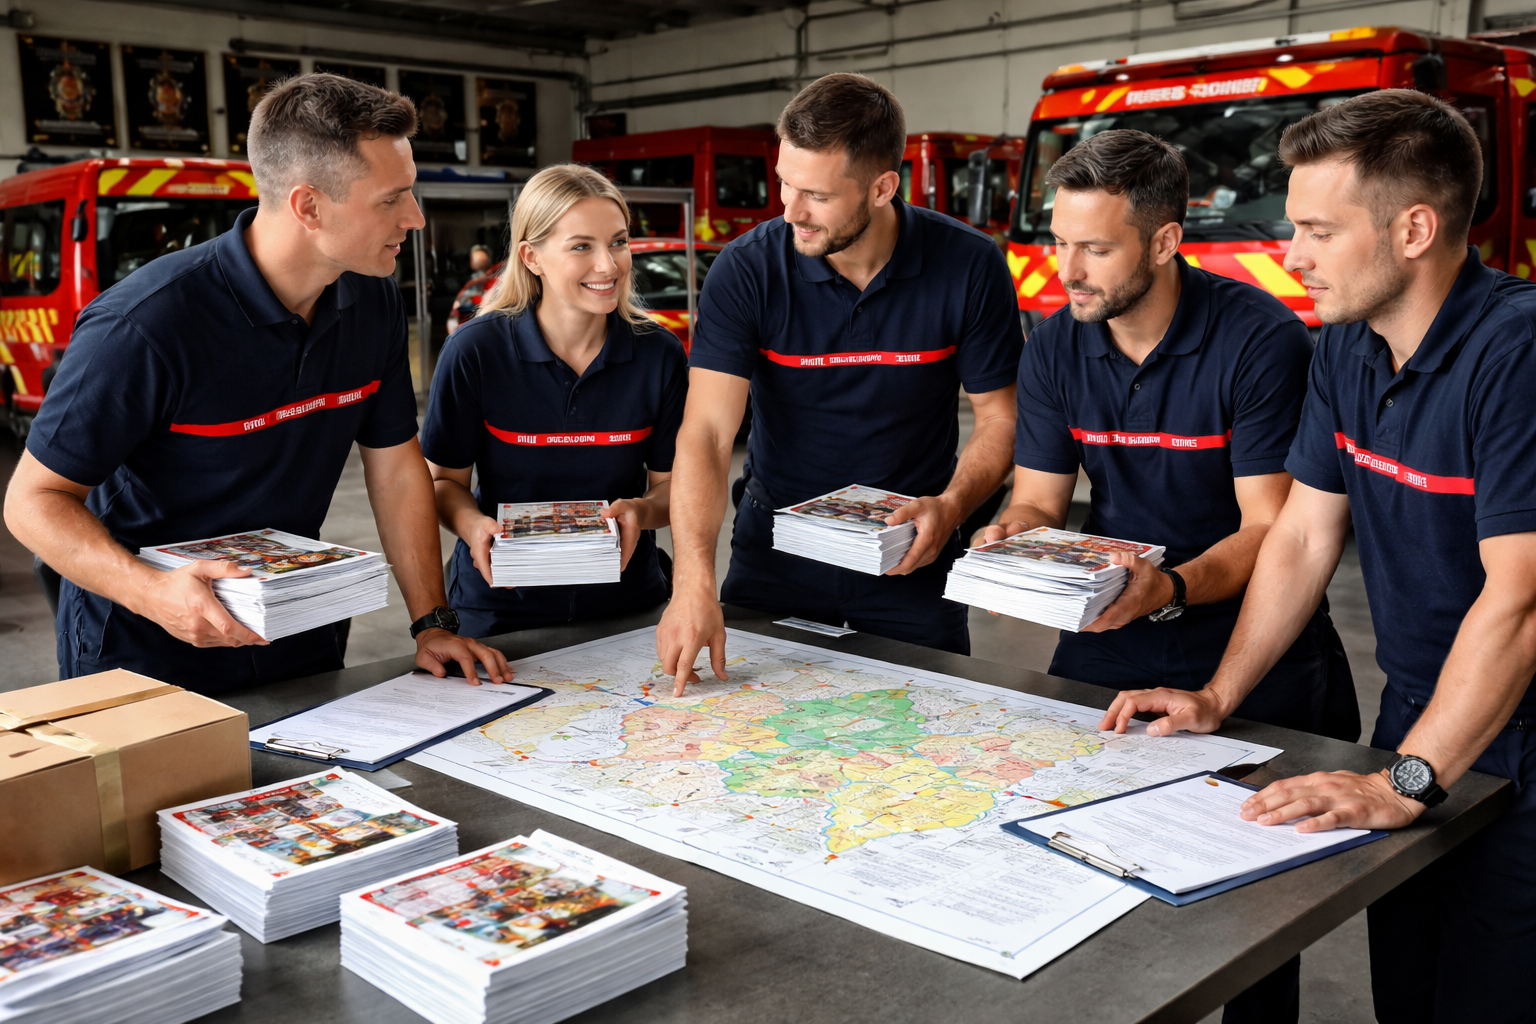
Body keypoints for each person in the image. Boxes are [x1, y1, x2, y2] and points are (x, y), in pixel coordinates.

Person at [1100, 90, 1536, 1024]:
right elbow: (1301, 536)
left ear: (1413, 229)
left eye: (1317, 231)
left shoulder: (1517, 355)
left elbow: (1522, 603)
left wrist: (1403, 784)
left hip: (1522, 732)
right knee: (1408, 992)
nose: (1291, 255)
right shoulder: (1346, 347)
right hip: (1414, 710)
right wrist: (1220, 694)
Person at [985, 128, 1352, 1024]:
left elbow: (1274, 529)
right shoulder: (1056, 343)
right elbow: (1040, 497)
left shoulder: (1257, 340)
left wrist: (1171, 587)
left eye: (1095, 248)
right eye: (1059, 242)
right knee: (1078, 874)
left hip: (1250, 650)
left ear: (1163, 241)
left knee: (1254, 916)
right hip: (1106, 640)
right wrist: (1012, 536)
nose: (1067, 271)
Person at [3, 73, 511, 690]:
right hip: (146, 644)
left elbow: (397, 471)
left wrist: (431, 622)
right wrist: (152, 592)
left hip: (295, 626)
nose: (417, 218)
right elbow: (32, 503)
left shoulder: (372, 302)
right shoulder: (145, 325)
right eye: (391, 199)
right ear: (308, 206)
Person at [655, 73, 1023, 695]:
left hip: (911, 559)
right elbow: (709, 434)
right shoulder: (746, 269)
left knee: (926, 733)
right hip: (775, 556)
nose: (790, 211)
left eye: (817, 195)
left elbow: (1000, 417)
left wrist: (951, 507)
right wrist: (693, 580)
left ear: (882, 188)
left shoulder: (969, 263)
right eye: (784, 183)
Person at [421, 164, 686, 637]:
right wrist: (472, 524)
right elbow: (443, 484)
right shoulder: (475, 351)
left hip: (626, 601)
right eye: (581, 246)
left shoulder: (659, 355)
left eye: (618, 242)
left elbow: (673, 488)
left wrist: (641, 512)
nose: (608, 265)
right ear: (532, 257)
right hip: (499, 606)